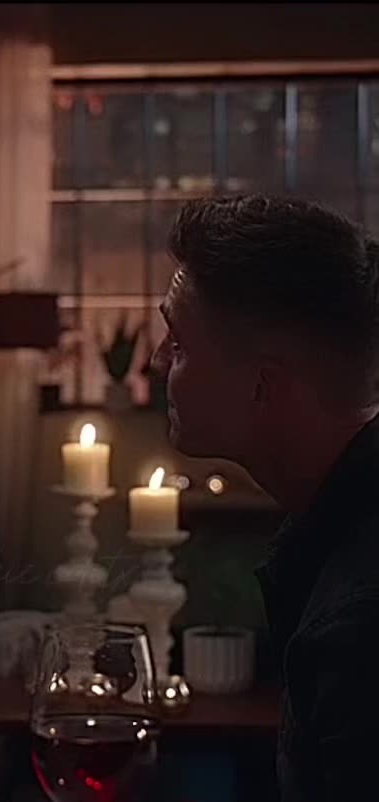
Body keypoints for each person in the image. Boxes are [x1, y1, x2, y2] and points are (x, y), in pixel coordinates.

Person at [152, 194, 379, 802]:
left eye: (178, 343)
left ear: (262, 385)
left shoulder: (360, 625)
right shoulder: (335, 534)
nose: (155, 362)